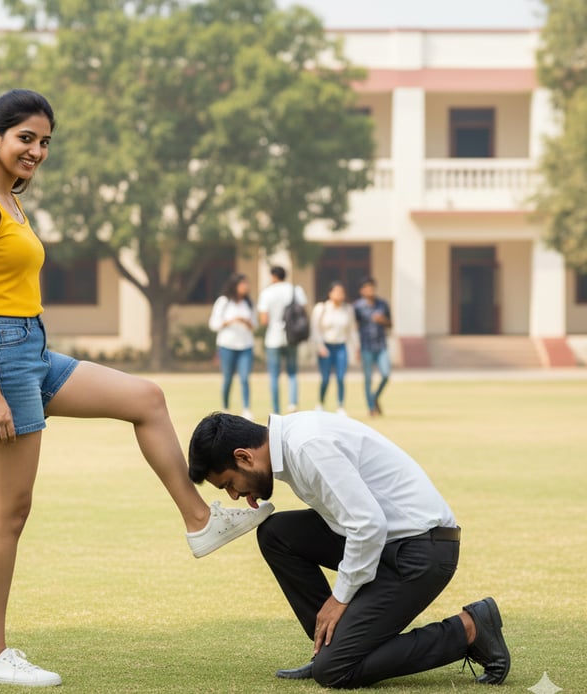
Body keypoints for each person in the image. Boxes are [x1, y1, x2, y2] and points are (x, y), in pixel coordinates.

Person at [0, 89, 273, 687]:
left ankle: (199, 521)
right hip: (0, 361)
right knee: (8, 513)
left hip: (32, 350)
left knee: (146, 398)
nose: (35, 150)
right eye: (25, 138)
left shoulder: (11, 202)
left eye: (44, 142)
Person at [187, 411, 511, 689]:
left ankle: (469, 629)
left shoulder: (307, 446)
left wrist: (339, 598)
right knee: (277, 533)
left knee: (335, 672)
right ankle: (331, 644)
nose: (233, 494)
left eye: (229, 482)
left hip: (421, 552)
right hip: (391, 542)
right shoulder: (290, 440)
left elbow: (368, 525)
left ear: (244, 457)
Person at [257, 266, 308, 414]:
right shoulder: (295, 290)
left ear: (273, 276)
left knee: (274, 375)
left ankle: (276, 408)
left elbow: (264, 320)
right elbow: (303, 312)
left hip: (273, 337)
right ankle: (292, 403)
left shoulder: (267, 293)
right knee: (292, 372)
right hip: (292, 336)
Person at [208, 273, 257, 420]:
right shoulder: (224, 302)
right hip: (227, 345)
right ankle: (225, 407)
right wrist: (230, 321)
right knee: (227, 377)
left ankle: (246, 408)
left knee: (244, 378)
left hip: (245, 345)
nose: (246, 287)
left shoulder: (248, 303)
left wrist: (246, 322)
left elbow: (255, 324)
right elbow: (213, 324)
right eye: (243, 284)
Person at [310, 282, 357, 415]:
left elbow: (351, 330)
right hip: (326, 346)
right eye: (336, 292)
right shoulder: (322, 308)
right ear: (330, 293)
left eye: (341, 292)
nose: (339, 295)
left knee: (341, 377)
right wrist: (319, 346)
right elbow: (315, 329)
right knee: (325, 378)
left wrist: (355, 347)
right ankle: (320, 402)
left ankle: (340, 405)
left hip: (341, 346)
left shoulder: (348, 309)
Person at [353, 277, 391, 417]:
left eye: (372, 287)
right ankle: (371, 408)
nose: (370, 290)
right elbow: (354, 328)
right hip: (366, 346)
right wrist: (356, 347)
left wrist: (383, 320)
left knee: (386, 374)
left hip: (381, 345)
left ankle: (375, 397)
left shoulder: (382, 304)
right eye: (367, 288)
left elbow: (390, 324)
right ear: (361, 291)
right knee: (368, 378)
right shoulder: (357, 307)